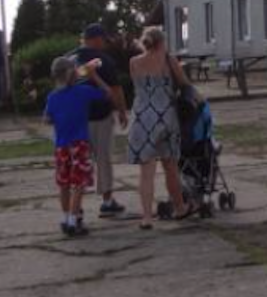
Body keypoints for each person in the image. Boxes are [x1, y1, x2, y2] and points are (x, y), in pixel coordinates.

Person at [128, 27, 189, 230]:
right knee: (170, 166)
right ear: (162, 42)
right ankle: (180, 208)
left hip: (141, 118)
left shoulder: (134, 62)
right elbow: (184, 83)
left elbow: (138, 87)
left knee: (146, 171)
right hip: (165, 117)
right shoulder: (168, 60)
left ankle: (146, 217)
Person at [43, 56, 112, 236]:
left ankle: (66, 218)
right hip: (79, 145)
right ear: (72, 74)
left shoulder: (52, 97)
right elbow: (107, 93)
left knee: (64, 185)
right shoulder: (83, 92)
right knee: (79, 184)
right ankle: (74, 222)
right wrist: (94, 75)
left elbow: (47, 119)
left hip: (61, 146)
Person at [72, 24, 128, 218]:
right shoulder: (103, 60)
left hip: (76, 119)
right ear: (95, 39)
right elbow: (115, 88)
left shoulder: (71, 58)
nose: (104, 43)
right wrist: (122, 111)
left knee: (79, 161)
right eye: (103, 39)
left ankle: (75, 206)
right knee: (103, 158)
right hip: (100, 116)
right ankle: (107, 201)